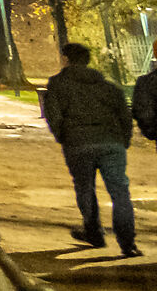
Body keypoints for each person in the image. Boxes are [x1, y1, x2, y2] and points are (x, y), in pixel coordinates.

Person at [42, 42, 140, 257]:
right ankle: (127, 243)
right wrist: (123, 139)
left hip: (78, 143)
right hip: (111, 143)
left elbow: (53, 115)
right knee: (120, 193)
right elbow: (124, 115)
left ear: (66, 59)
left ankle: (94, 232)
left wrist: (64, 137)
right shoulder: (107, 86)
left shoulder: (57, 84)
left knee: (85, 188)